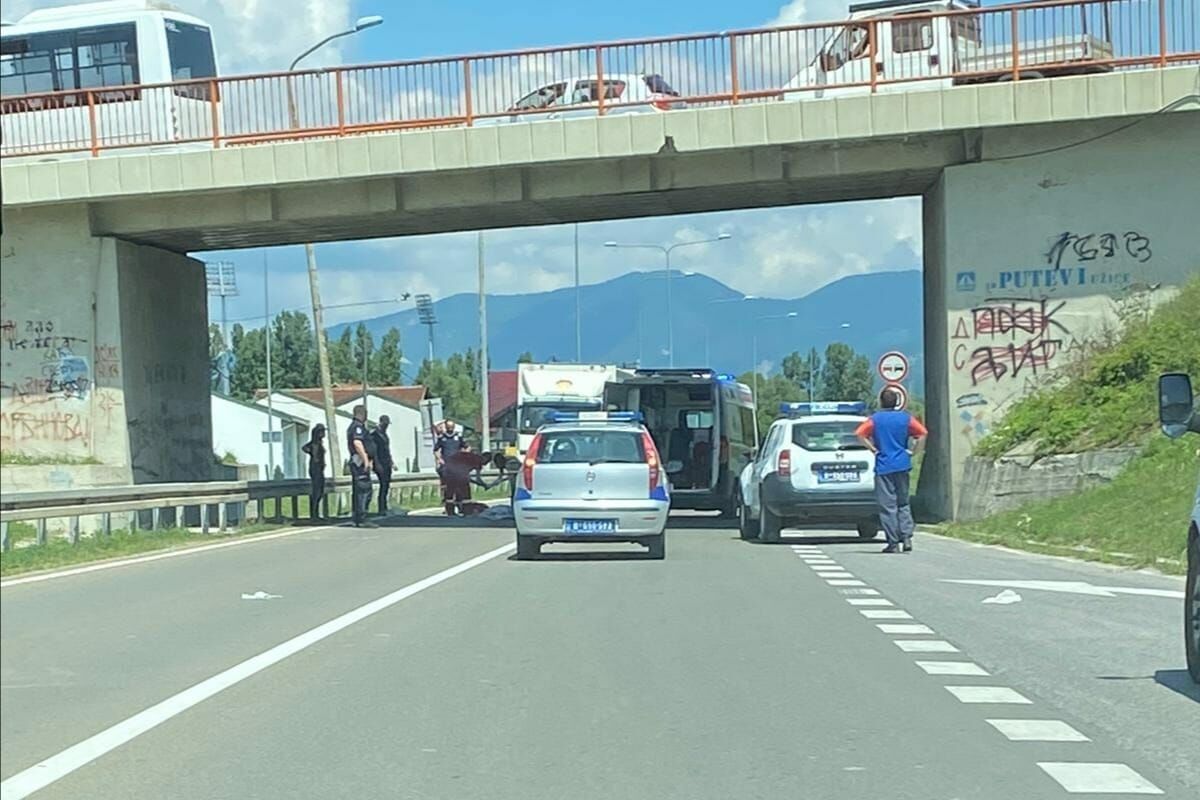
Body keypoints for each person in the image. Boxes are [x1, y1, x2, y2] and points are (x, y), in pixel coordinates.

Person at [855, 389, 928, 553]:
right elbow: (923, 433)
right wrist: (914, 452)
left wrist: (873, 449)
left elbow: (859, 434)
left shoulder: (875, 419)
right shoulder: (905, 418)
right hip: (902, 464)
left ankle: (893, 542)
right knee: (903, 502)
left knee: (888, 505)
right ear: (897, 402)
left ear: (881, 402)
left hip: (884, 466)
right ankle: (907, 537)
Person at [346, 405, 376, 528]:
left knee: (361, 490)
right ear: (362, 414)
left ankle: (358, 517)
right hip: (359, 462)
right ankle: (361, 518)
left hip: (359, 461)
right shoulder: (357, 427)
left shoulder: (357, 426)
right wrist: (365, 460)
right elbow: (357, 443)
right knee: (363, 490)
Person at [433, 419, 465, 516]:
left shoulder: (458, 437)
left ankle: (460, 506)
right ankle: (449, 508)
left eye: (452, 427)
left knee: (459, 486)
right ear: (446, 427)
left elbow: (466, 447)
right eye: (448, 427)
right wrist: (439, 459)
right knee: (447, 487)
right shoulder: (442, 438)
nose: (450, 428)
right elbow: (435, 450)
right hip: (447, 465)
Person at [301, 424, 327, 521]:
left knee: (320, 491)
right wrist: (312, 454)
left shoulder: (319, 443)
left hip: (319, 469)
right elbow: (305, 448)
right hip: (315, 469)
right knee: (316, 491)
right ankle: (314, 514)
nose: (324, 433)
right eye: (322, 431)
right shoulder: (314, 444)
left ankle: (315, 513)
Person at [371, 414, 394, 516]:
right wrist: (376, 463)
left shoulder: (384, 434)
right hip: (380, 462)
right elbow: (374, 451)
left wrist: (391, 461)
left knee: (386, 485)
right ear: (380, 423)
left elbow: (387, 449)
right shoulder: (375, 434)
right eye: (385, 424)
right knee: (383, 484)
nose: (386, 426)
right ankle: (381, 507)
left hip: (386, 462)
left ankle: (384, 506)